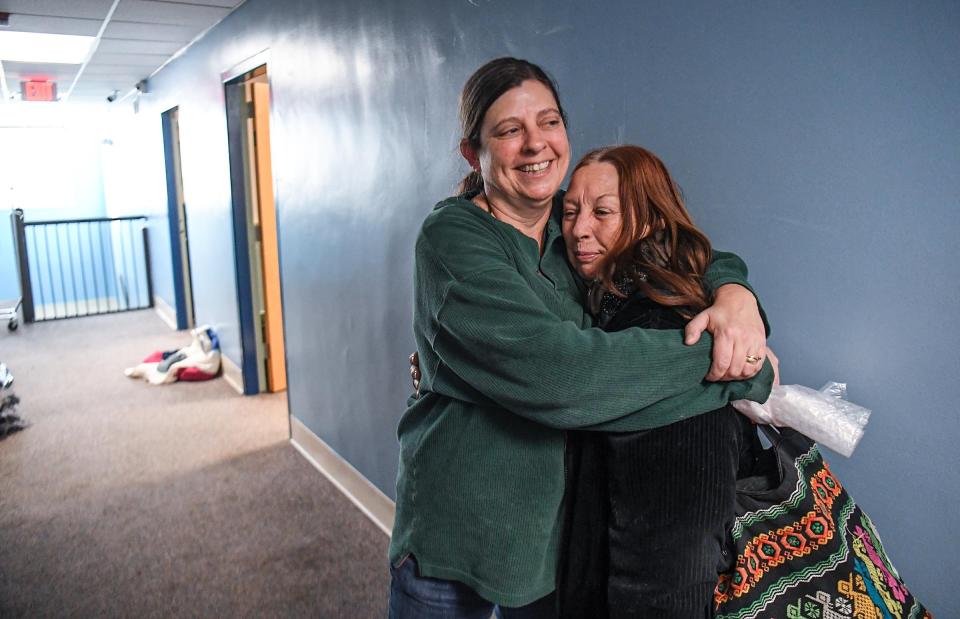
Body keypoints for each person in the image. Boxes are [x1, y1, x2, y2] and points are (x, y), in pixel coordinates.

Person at [388, 57, 775, 619]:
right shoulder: (453, 239)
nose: (534, 144)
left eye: (548, 122)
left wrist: (734, 294)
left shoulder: (569, 222)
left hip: (551, 539)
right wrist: (739, 366)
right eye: (509, 129)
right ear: (474, 153)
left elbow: (678, 245)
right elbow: (560, 376)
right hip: (457, 532)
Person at [556, 145, 777, 618]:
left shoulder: (672, 324)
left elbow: (678, 544)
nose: (579, 229)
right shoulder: (605, 302)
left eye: (603, 212)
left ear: (650, 220)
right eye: (571, 211)